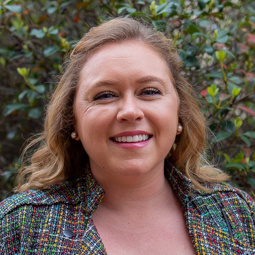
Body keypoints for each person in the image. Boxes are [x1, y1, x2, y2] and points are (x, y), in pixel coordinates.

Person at [0, 17, 254, 255]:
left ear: (179, 113)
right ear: (72, 121)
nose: (130, 111)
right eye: (105, 95)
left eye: (150, 91)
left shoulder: (238, 215)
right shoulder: (19, 227)